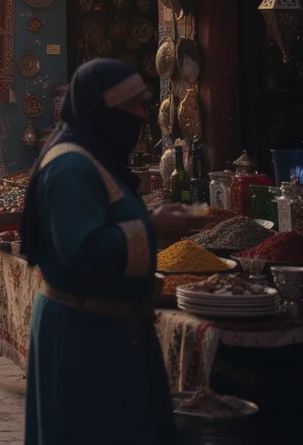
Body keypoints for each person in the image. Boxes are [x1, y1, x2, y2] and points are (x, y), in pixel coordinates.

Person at [20, 59, 191, 445]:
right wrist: (152, 228)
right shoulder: (70, 168)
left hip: (113, 331)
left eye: (143, 104)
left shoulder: (99, 159)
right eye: (133, 106)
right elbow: (82, 250)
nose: (142, 116)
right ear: (103, 110)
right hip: (83, 336)